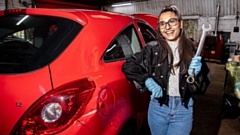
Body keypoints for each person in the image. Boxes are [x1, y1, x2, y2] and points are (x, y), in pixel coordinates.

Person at [122, 5, 210, 135]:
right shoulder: (152, 49)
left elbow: (202, 88)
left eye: (171, 21)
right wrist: (146, 80)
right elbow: (128, 65)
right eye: (162, 24)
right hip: (159, 107)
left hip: (183, 108)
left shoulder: (193, 51)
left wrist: (197, 75)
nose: (167, 27)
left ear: (180, 23)